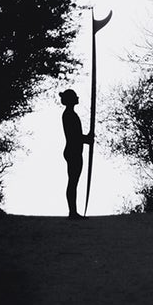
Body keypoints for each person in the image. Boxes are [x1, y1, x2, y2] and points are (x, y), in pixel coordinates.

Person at [60, 88, 91, 218]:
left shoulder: (70, 114)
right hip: (73, 151)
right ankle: (72, 212)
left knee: (73, 181)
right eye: (75, 97)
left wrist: (86, 138)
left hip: (75, 150)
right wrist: (86, 139)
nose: (78, 98)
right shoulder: (69, 115)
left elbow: (76, 136)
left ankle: (73, 211)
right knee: (73, 181)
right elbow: (74, 136)